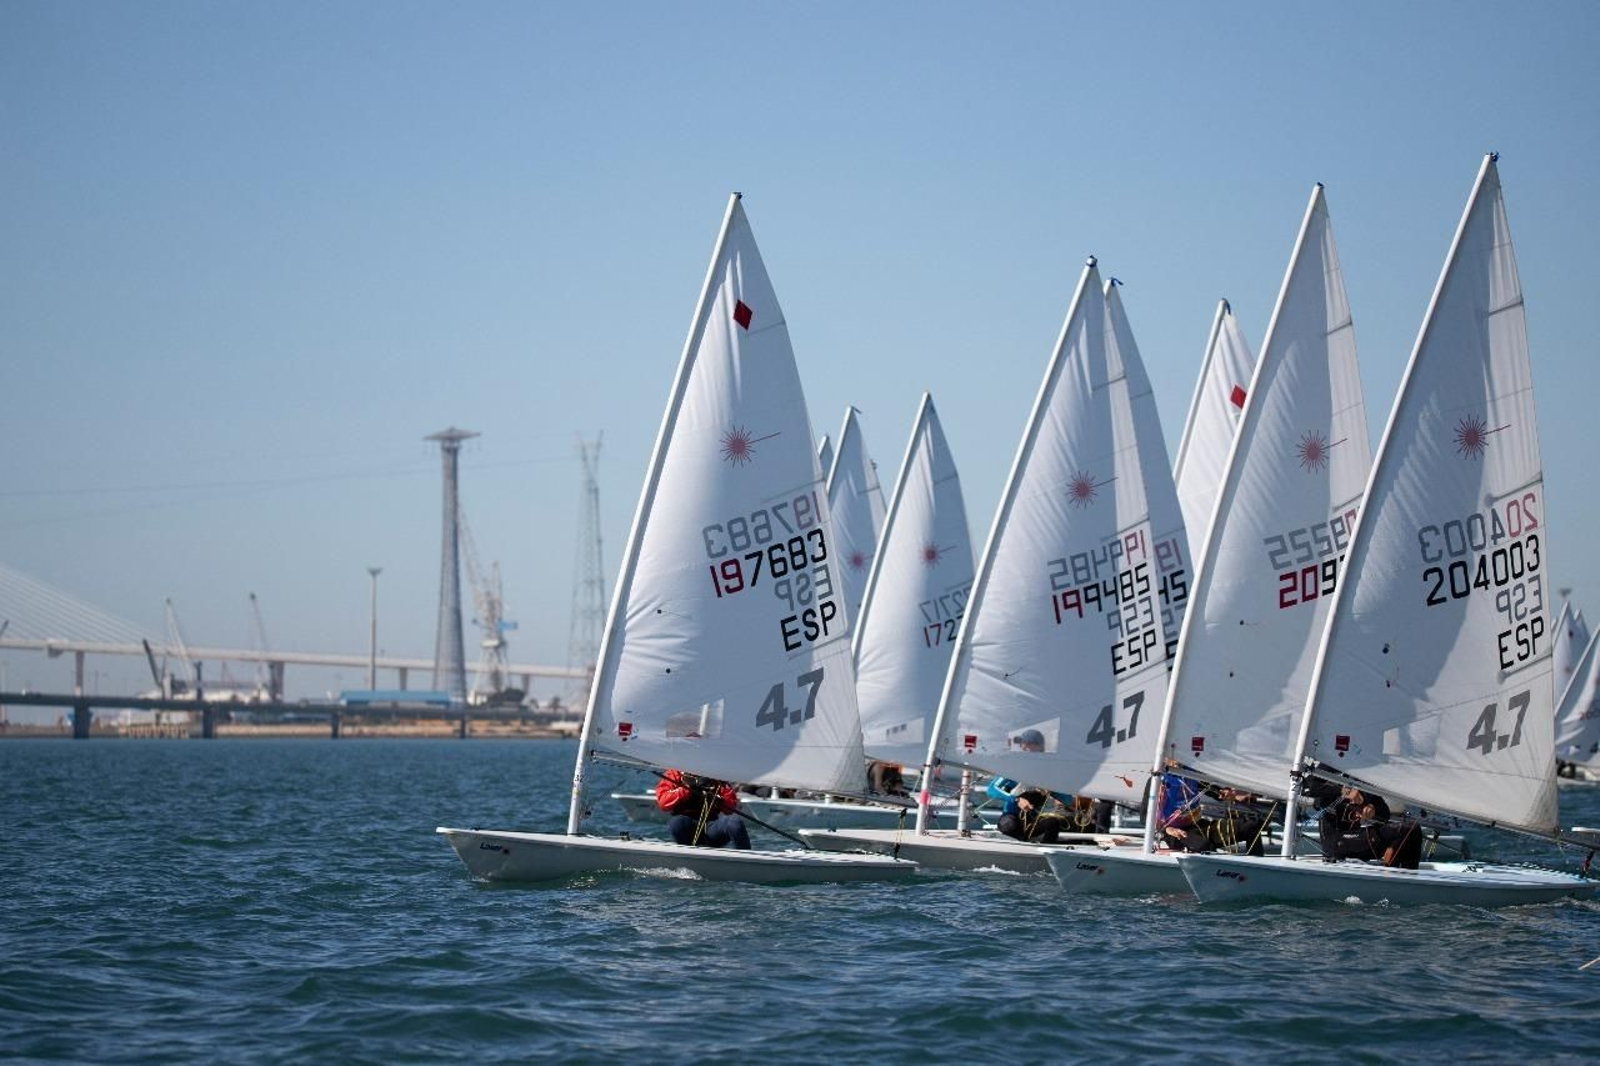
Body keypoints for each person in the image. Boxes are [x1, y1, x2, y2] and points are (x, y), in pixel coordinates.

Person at [1302, 777, 1420, 869]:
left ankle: (1407, 877)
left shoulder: (1362, 780)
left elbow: (1385, 814)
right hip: (1335, 842)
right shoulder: (1331, 768)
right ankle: (1389, 876)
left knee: (1413, 830)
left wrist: (1373, 810)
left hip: (1357, 839)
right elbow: (1306, 787)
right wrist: (1341, 791)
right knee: (1403, 830)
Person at [654, 769, 751, 849]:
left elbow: (730, 808)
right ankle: (687, 857)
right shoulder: (674, 774)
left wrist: (717, 799)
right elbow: (663, 803)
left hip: (711, 828)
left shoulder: (715, 777)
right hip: (687, 827)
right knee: (677, 822)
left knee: (735, 822)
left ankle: (748, 862)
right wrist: (688, 789)